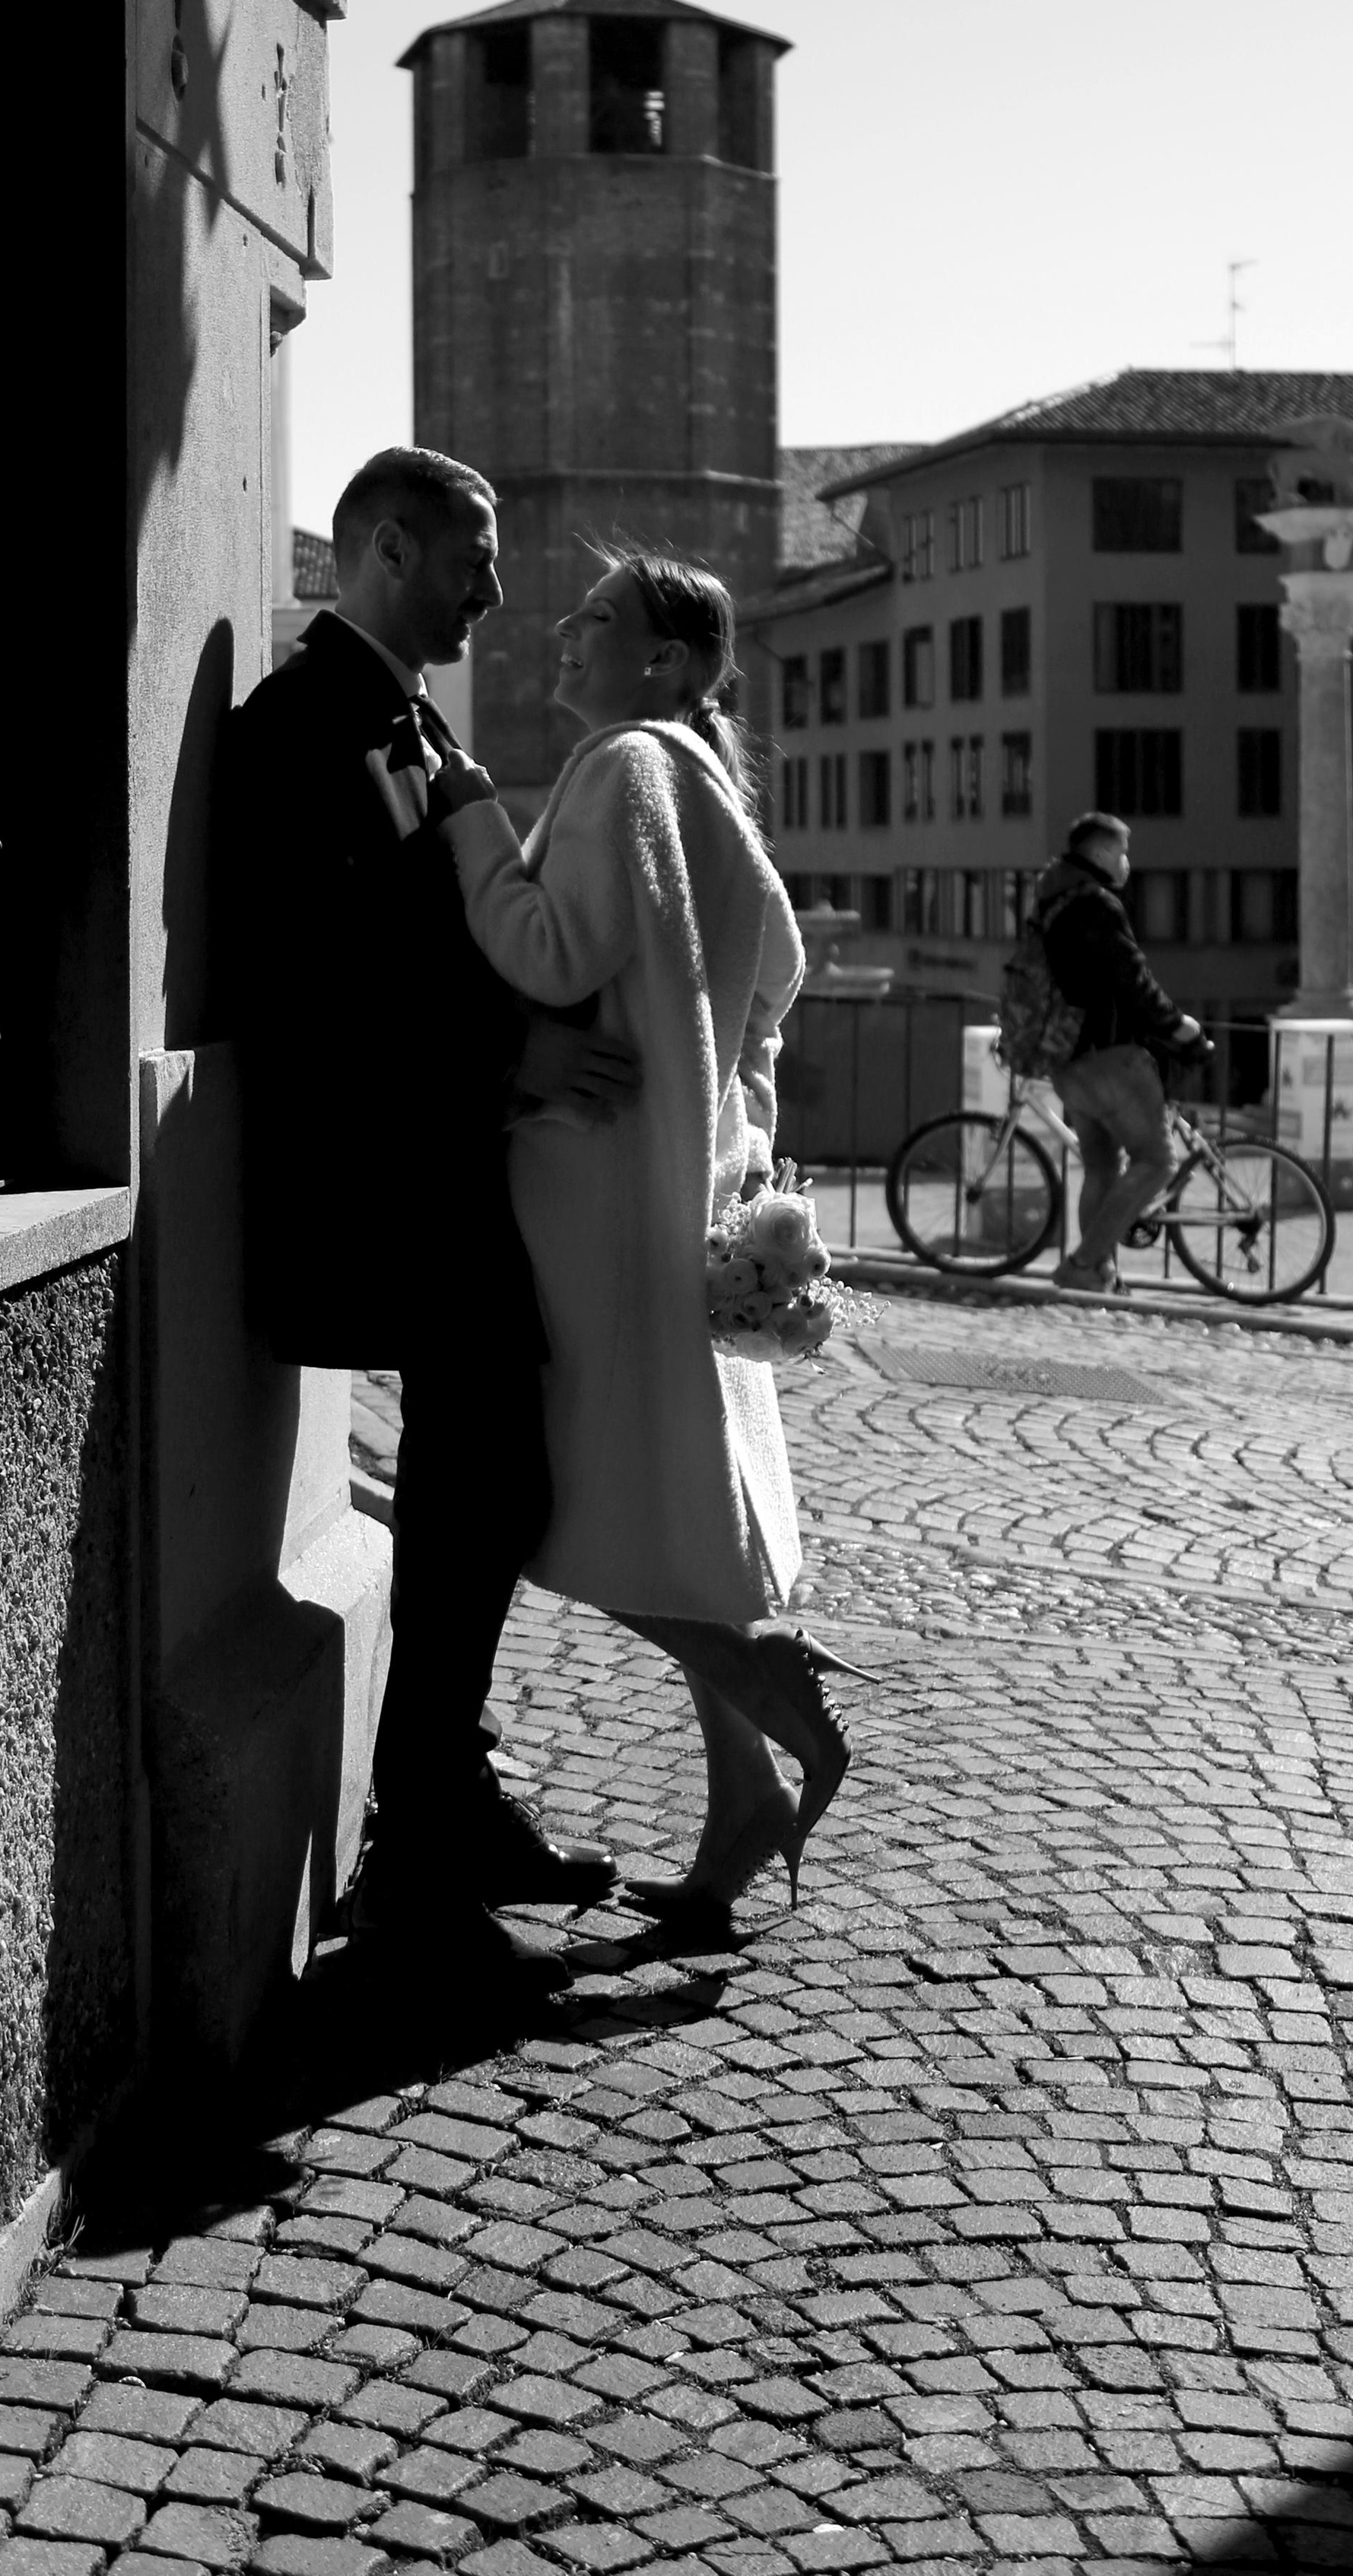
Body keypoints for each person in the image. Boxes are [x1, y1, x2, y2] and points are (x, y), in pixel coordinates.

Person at [226, 446, 640, 1984]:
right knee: (490, 1477)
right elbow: (318, 973)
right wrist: (513, 1057)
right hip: (369, 1179)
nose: (496, 589)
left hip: (434, 1173)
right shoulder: (300, 725)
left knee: (497, 1478)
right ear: (389, 551)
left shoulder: (406, 719)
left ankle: (438, 1797)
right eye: (473, 558)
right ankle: (424, 1830)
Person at [432, 548, 863, 1927]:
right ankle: (742, 1800)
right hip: (673, 1192)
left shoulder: (622, 765)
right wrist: (732, 1132)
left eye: (599, 617)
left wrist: (471, 826)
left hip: (588, 1194)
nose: (565, 629)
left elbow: (548, 955)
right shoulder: (712, 789)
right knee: (659, 1495)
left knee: (556, 1500)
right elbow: (777, 981)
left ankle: (762, 1675)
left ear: (665, 661)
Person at [1035, 809, 1209, 1295]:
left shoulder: (1052, 899)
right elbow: (1131, 979)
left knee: (1102, 1168)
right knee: (1157, 1161)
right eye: (1122, 852)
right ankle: (1083, 1264)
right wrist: (1178, 1027)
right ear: (1100, 852)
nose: (1127, 863)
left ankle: (1098, 1276)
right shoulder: (1097, 905)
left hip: (1069, 1061)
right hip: (1112, 1060)